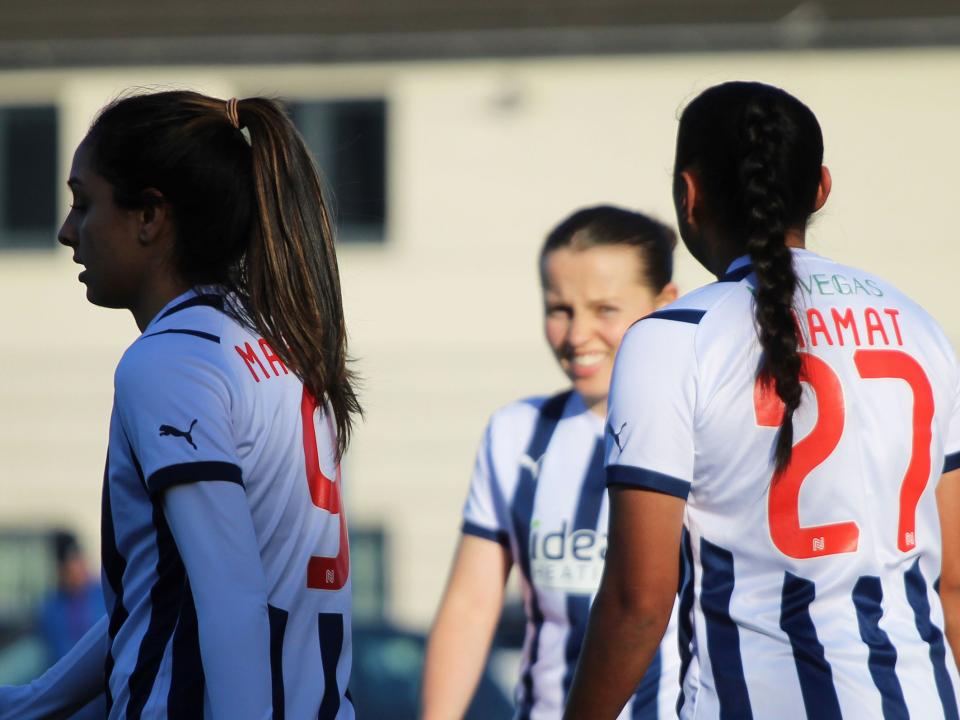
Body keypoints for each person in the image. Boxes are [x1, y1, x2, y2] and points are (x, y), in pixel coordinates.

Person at [564, 81, 960, 720]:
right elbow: (955, 584)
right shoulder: (920, 326)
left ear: (688, 195)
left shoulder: (673, 338)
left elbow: (639, 602)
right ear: (820, 189)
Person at [0, 91, 360, 719]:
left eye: (84, 202)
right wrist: (31, 701)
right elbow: (167, 595)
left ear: (149, 216)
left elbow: (233, 597)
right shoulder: (279, 347)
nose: (67, 231)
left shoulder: (170, 361)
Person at [421, 205, 681, 719]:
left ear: (665, 305)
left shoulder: (706, 434)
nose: (577, 334)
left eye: (605, 309)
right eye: (559, 309)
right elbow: (471, 609)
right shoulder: (515, 432)